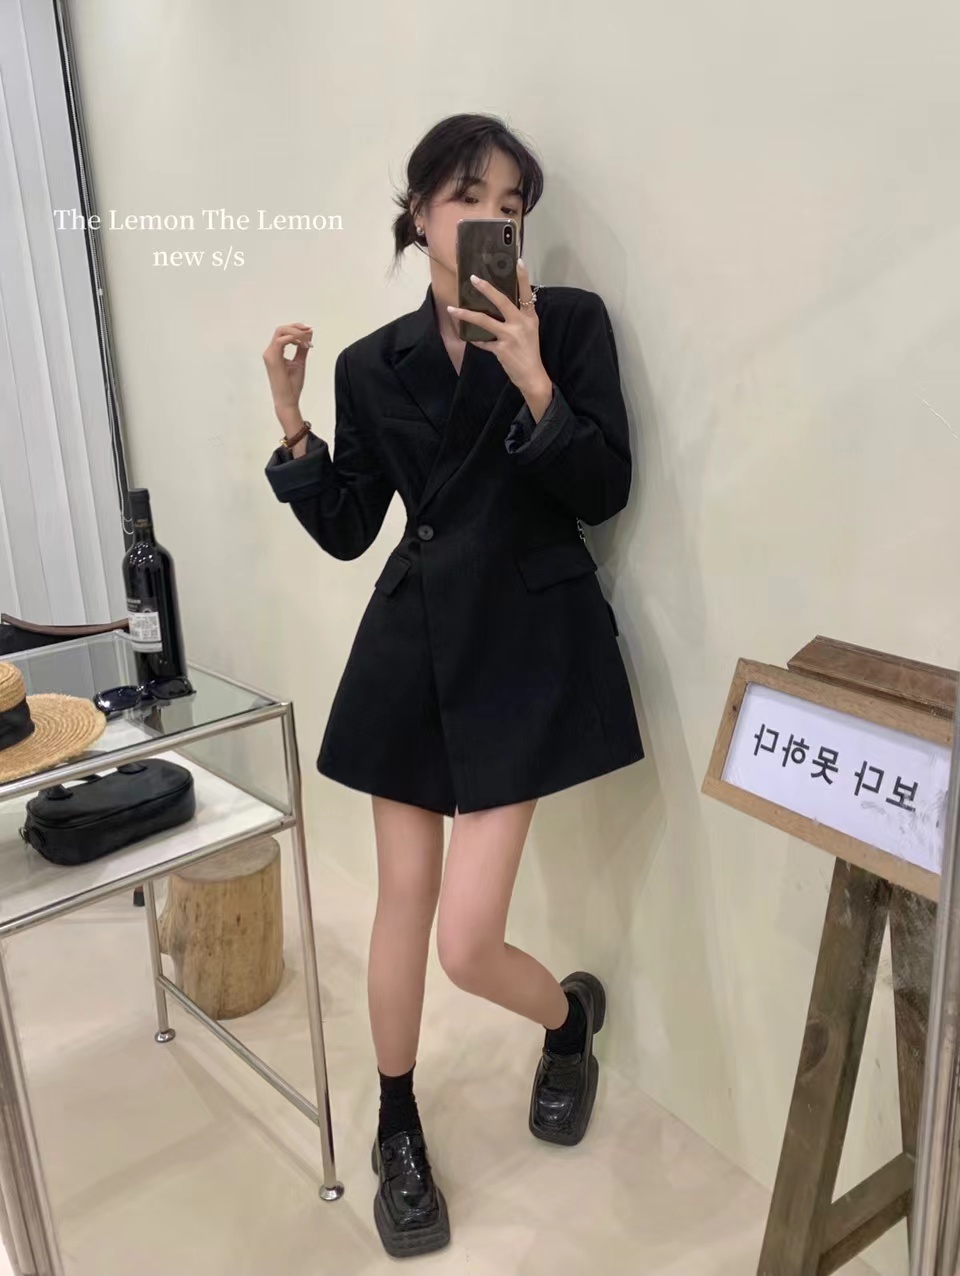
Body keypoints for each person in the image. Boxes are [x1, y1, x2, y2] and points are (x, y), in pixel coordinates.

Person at [262, 112, 643, 1259]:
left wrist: (532, 378)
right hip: (414, 646)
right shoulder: (370, 364)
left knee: (468, 944)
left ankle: (566, 1020)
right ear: (421, 210)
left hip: (520, 647)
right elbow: (349, 526)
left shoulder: (567, 324)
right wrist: (291, 423)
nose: (493, 219)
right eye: (470, 197)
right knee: (405, 901)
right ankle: (398, 1123)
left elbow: (602, 489)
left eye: (512, 206)